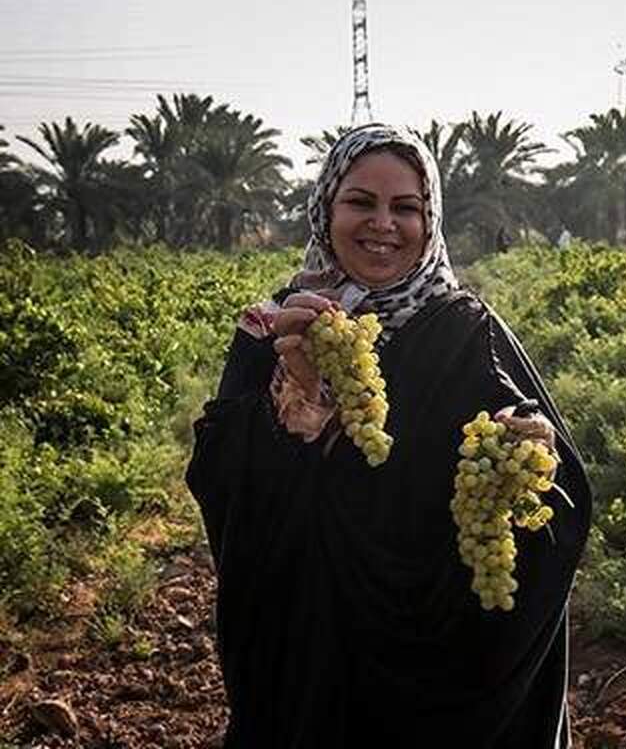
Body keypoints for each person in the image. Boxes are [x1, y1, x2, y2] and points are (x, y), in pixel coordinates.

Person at [186, 124, 591, 747]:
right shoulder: (274, 324)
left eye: (406, 207)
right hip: (308, 640)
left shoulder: (466, 331)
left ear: (431, 222)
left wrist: (524, 451)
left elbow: (557, 500)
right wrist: (286, 405)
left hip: (435, 659)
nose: (384, 224)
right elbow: (218, 479)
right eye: (360, 203)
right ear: (325, 208)